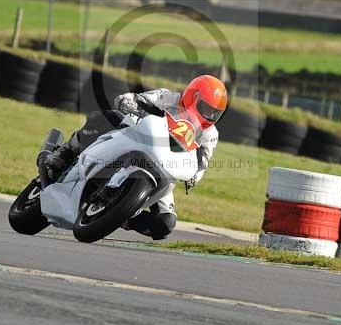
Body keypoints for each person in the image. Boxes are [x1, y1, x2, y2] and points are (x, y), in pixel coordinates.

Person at [42, 75, 228, 240]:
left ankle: (122, 216)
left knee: (166, 223)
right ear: (193, 96)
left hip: (165, 164)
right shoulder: (168, 97)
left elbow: (203, 160)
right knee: (107, 117)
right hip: (137, 139)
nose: (209, 116)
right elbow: (139, 99)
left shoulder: (210, 133)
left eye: (215, 113)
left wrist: (195, 176)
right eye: (206, 108)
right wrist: (130, 102)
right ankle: (66, 151)